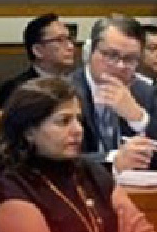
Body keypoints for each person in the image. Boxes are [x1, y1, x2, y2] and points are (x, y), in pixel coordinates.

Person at [0, 77, 157, 232]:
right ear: (29, 131)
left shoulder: (92, 171)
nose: (77, 130)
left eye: (79, 120)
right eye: (64, 121)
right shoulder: (12, 186)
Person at [67, 13, 157, 171]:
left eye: (130, 59)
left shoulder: (146, 93)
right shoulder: (62, 93)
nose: (121, 66)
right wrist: (113, 160)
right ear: (89, 52)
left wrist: (139, 118)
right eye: (111, 55)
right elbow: (54, 156)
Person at [0, 13, 75, 109]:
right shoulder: (19, 89)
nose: (70, 46)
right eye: (60, 40)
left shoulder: (77, 85)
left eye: (69, 39)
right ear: (38, 50)